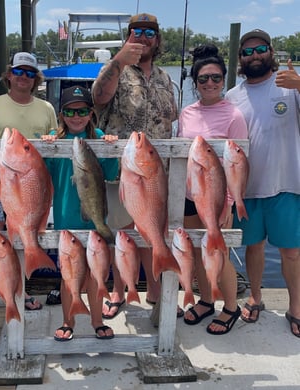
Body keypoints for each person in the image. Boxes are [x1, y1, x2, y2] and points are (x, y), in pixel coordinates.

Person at [92, 13, 179, 319]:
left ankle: (154, 291)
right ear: (128, 36)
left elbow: (173, 115)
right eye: (136, 31)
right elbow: (98, 97)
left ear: (158, 40)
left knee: (152, 229)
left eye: (149, 32)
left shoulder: (165, 77)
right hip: (122, 171)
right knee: (123, 233)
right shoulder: (115, 69)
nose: (143, 37)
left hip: (157, 174)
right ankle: (118, 290)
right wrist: (117, 62)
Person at [226, 29, 300, 337]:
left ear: (271, 51)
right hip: (247, 188)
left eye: (261, 49)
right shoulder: (231, 96)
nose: (255, 55)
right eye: (248, 51)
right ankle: (255, 296)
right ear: (241, 59)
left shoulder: (289, 85)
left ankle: (296, 308)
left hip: (287, 183)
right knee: (253, 248)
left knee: (292, 252)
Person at [0, 52, 58, 321]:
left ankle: (21, 292)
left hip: (30, 188)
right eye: (19, 72)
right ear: (9, 75)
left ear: (36, 79)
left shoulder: (46, 108)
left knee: (22, 240)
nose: (24, 77)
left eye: (30, 73)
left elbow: (56, 142)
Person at [177, 44, 248, 334]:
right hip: (188, 196)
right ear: (195, 83)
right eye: (203, 79)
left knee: (220, 252)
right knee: (195, 250)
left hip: (217, 197)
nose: (210, 84)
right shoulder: (186, 113)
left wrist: (229, 202)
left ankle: (231, 307)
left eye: (216, 78)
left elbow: (238, 165)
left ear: (224, 80)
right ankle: (206, 300)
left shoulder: (234, 116)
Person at [41, 85, 119, 341]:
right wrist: (46, 148)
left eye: (83, 110)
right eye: (70, 111)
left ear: (91, 112)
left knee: (96, 276)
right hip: (65, 219)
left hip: (96, 220)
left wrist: (110, 149)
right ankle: (68, 321)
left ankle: (97, 321)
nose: (76, 116)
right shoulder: (54, 137)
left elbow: (109, 174)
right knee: (69, 277)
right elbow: (43, 174)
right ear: (61, 114)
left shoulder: (98, 136)